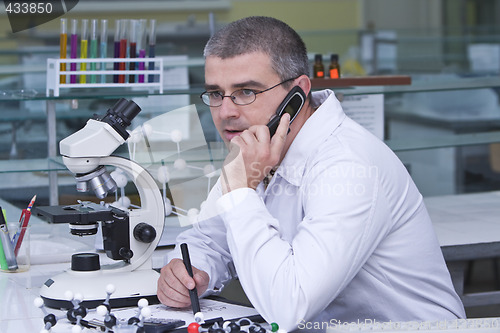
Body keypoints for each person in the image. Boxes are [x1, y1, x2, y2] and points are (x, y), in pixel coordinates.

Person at [157, 16, 465, 331]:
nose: (225, 112)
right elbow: (208, 239)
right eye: (215, 94)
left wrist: (240, 193)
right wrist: (188, 270)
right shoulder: (256, 152)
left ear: (299, 92)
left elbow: (289, 306)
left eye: (246, 91)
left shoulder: (347, 165)